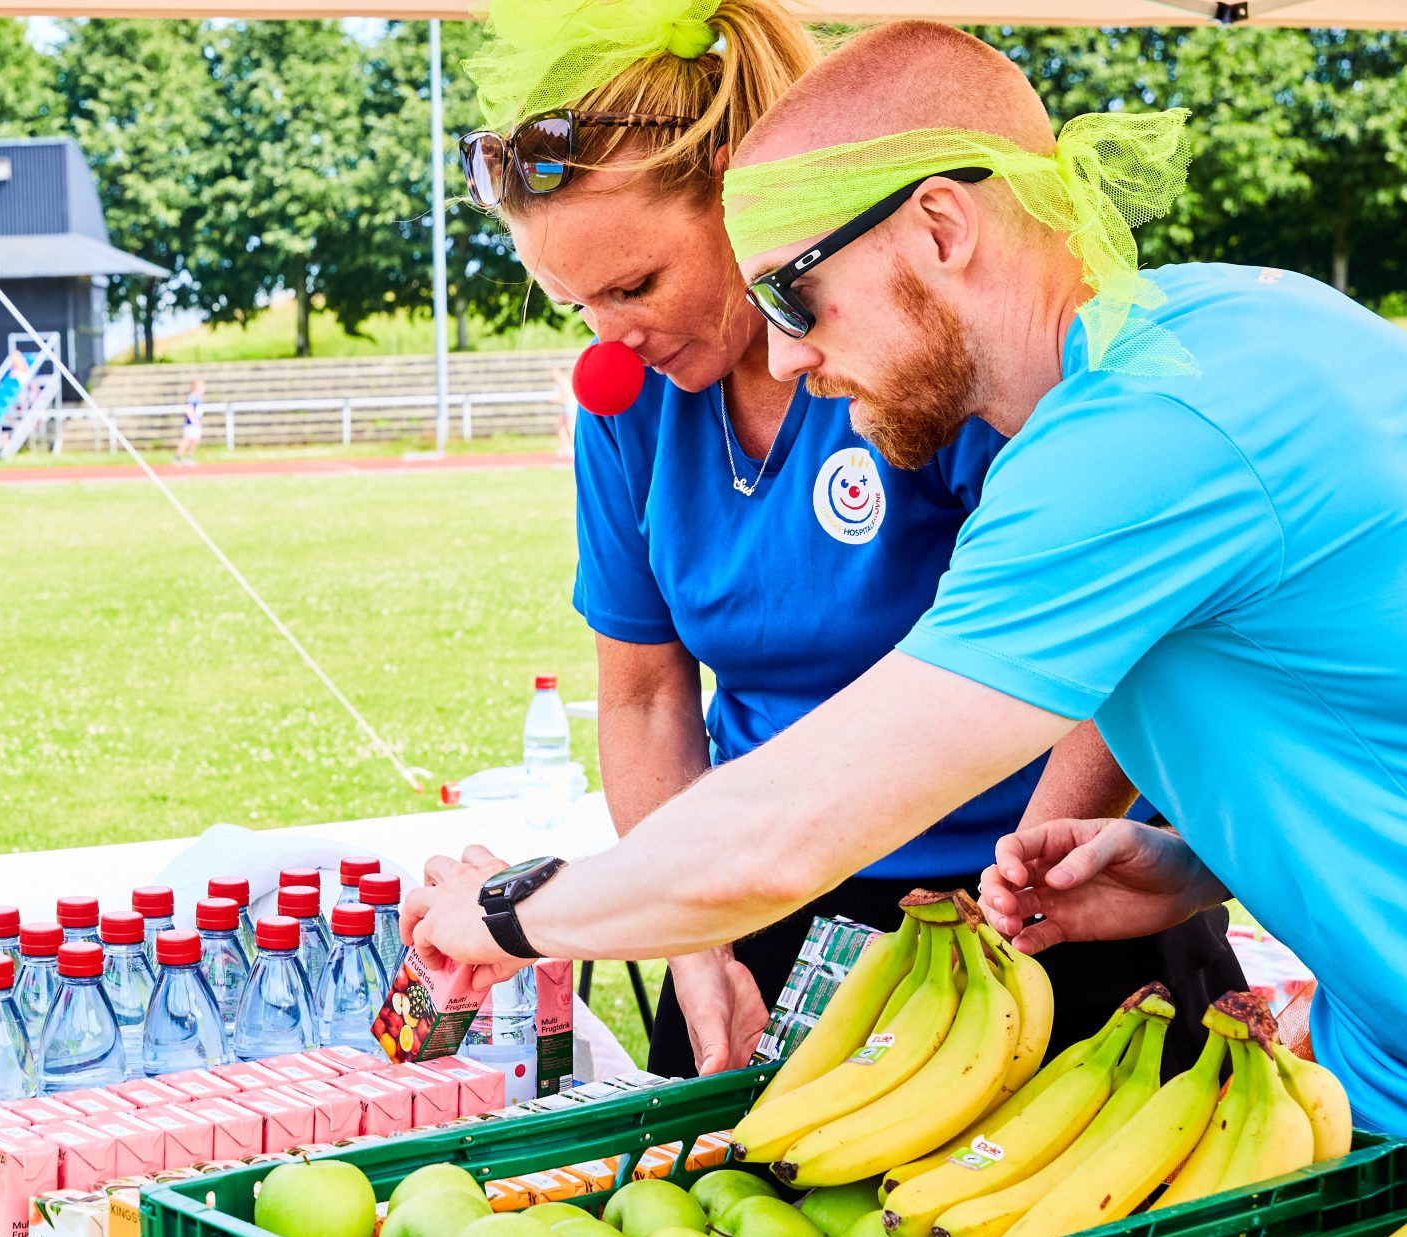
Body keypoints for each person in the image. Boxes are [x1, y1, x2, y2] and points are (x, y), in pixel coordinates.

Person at [408, 20, 1407, 1132]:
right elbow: (1335, 704)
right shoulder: (1222, 327)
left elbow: (790, 827)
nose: (784, 355)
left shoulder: (1138, 440)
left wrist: (504, 921)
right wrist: (1197, 865)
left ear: (938, 227)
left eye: (793, 294)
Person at [175, 378, 207, 464]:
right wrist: (194, 420)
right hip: (190, 423)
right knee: (187, 439)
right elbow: (189, 409)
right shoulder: (192, 397)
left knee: (195, 440)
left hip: (196, 423)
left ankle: (189, 457)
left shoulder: (198, 398)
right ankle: (178, 457)